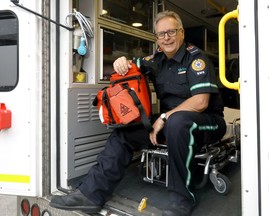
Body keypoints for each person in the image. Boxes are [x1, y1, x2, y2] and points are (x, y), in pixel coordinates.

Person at [50, 10, 226, 216]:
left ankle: (181, 200)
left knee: (178, 122)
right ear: (157, 38)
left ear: (182, 33)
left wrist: (164, 117)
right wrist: (121, 61)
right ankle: (90, 195)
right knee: (125, 132)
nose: (166, 38)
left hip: (208, 122)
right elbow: (131, 66)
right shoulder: (156, 60)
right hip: (171, 123)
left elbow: (201, 102)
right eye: (161, 34)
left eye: (171, 32)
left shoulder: (196, 59)